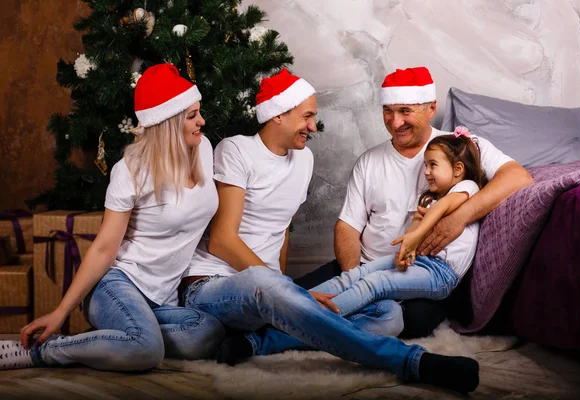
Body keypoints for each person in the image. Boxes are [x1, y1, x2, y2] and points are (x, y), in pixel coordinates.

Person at [179, 68, 480, 393]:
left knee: (387, 316)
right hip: (215, 285)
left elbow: (282, 231)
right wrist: (284, 289)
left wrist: (286, 294)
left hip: (266, 289)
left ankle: (255, 343)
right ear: (278, 115)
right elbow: (223, 240)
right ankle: (411, 362)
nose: (313, 126)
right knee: (280, 288)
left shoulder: (304, 159)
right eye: (307, 116)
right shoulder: (236, 149)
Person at [0, 63, 225, 371]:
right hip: (117, 285)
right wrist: (60, 312)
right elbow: (105, 248)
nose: (202, 121)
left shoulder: (203, 150)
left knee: (206, 331)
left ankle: (123, 339)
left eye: (199, 111)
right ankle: (45, 351)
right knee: (146, 350)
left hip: (163, 298)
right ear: (168, 124)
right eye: (191, 116)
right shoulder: (130, 170)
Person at [294, 66, 534, 337]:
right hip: (366, 265)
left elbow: (518, 177)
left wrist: (458, 218)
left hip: (422, 273)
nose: (395, 123)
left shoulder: (461, 147)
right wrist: (358, 277)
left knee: (415, 321)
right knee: (292, 293)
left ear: (431, 108)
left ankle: (317, 327)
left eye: (405, 111)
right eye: (388, 111)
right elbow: (347, 227)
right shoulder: (369, 161)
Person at [309, 129, 486, 317]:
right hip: (419, 262)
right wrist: (403, 254)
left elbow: (441, 208)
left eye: (432, 165)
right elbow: (416, 225)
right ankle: (296, 304)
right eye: (425, 165)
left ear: (458, 169)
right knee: (356, 275)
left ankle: (315, 319)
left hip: (440, 273)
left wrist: (416, 237)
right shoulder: (429, 198)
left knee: (376, 282)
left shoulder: (467, 187)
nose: (426, 172)